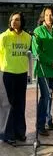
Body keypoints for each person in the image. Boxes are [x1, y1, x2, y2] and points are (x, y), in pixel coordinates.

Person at [32, 6, 53, 136]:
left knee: (50, 96)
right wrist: (50, 62)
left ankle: (48, 120)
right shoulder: (37, 31)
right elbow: (36, 51)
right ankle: (40, 125)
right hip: (43, 69)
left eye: (51, 15)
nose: (49, 17)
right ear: (43, 17)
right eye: (46, 15)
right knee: (45, 96)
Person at [0, 11, 31, 144]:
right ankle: (8, 135)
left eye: (17, 20)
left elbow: (28, 55)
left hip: (22, 74)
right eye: (12, 19)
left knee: (20, 104)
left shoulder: (28, 37)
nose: (14, 22)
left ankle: (20, 132)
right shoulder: (3, 37)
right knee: (8, 105)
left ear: (22, 21)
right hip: (7, 74)